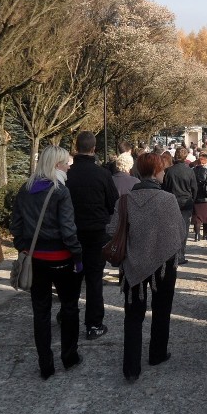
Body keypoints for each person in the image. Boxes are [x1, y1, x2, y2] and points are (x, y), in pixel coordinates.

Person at [107, 152, 186, 382]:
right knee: (162, 310)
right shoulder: (168, 200)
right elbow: (179, 233)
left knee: (133, 315)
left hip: (132, 263)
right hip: (164, 265)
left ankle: (131, 367)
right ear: (155, 172)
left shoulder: (125, 200)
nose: (164, 174)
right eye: (162, 170)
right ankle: (157, 353)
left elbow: (112, 231)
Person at [10, 146, 83, 379]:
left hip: (36, 260)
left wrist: (23, 247)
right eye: (65, 162)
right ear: (56, 165)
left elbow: (16, 226)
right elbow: (68, 229)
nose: (69, 165)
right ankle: (69, 357)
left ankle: (45, 364)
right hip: (61, 258)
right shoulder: (61, 191)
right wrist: (77, 254)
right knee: (69, 307)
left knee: (41, 312)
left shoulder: (26, 189)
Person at [66, 130, 118, 341]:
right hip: (96, 232)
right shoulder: (102, 174)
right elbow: (112, 202)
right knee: (94, 279)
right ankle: (93, 324)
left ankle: (68, 317)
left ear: (76, 148)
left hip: (72, 233)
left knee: (72, 278)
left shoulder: (67, 175)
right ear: (94, 149)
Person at [162, 146, 198, 264]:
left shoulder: (169, 171)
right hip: (185, 203)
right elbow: (194, 188)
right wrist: (192, 200)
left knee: (172, 230)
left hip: (172, 202)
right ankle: (181, 255)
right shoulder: (189, 171)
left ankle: (173, 255)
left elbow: (165, 187)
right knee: (184, 229)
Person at [192, 152, 207, 241]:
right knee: (206, 216)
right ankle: (205, 234)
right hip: (206, 197)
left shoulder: (192, 170)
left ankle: (197, 235)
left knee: (197, 217)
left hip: (196, 197)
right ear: (205, 162)